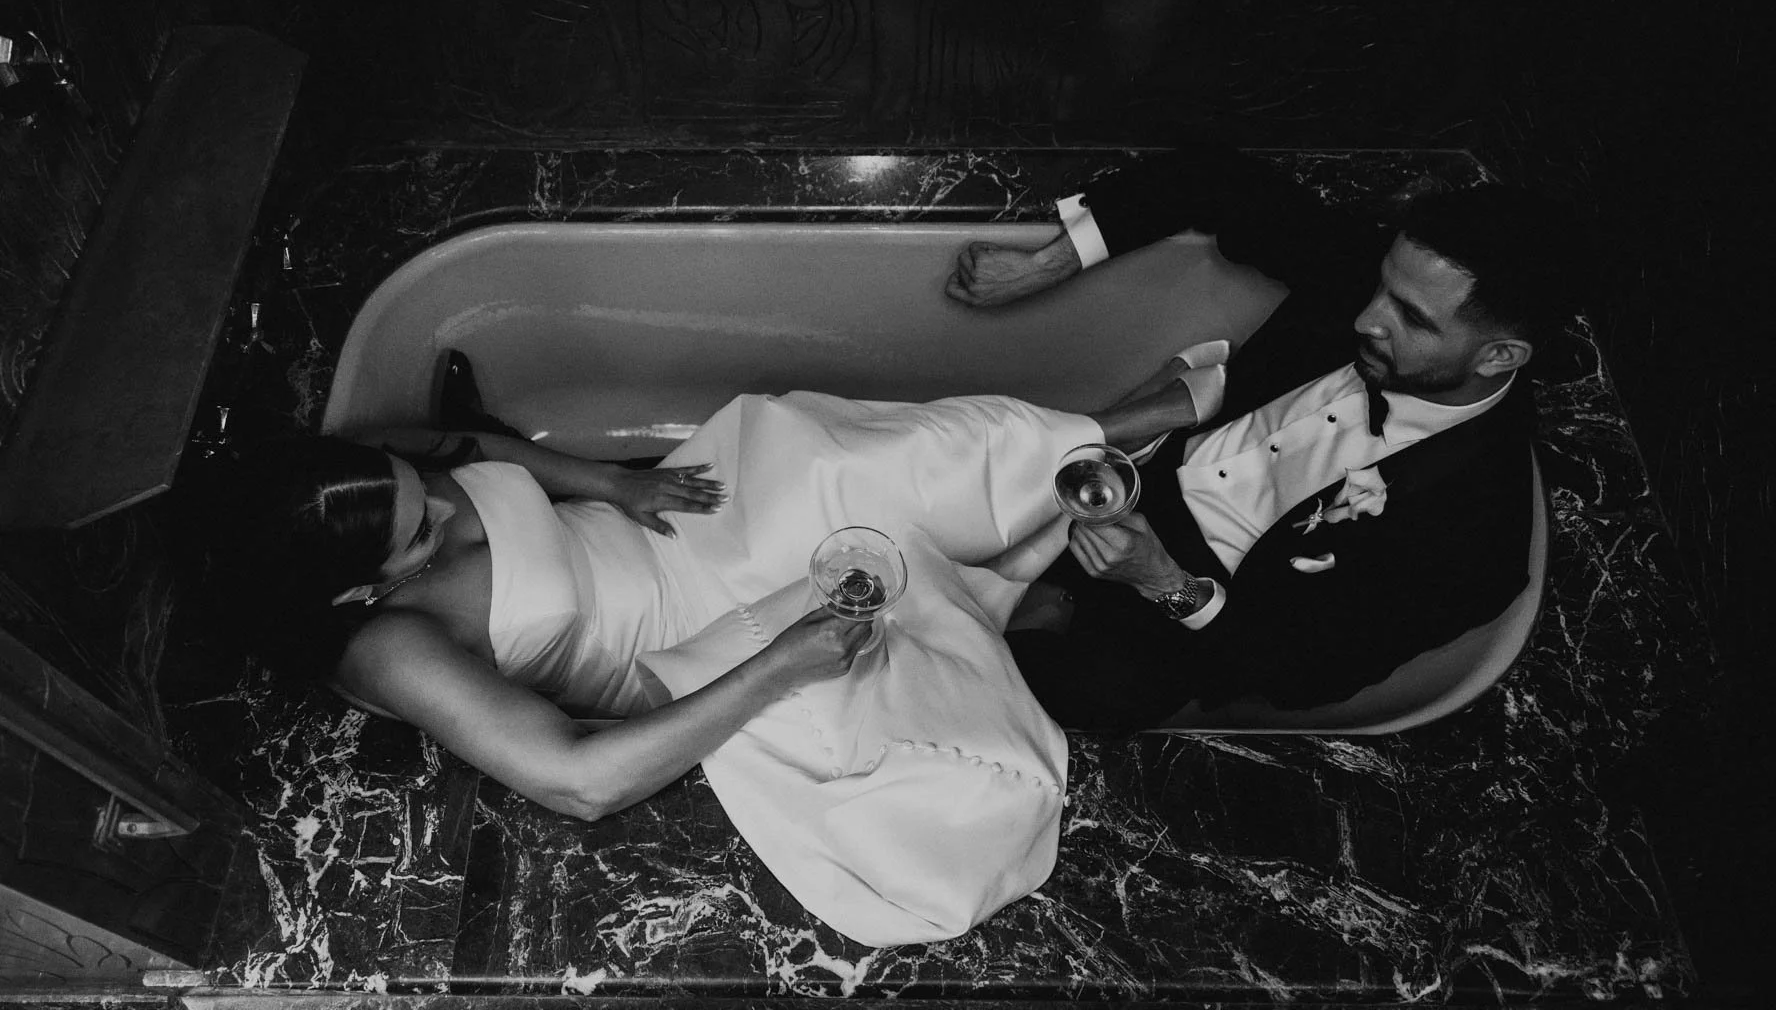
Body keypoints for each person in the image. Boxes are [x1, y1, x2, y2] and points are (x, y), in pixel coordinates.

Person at [204, 388, 1130, 947]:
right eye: (418, 536)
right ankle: (1004, 596)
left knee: (850, 458)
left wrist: (612, 481)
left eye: (422, 496)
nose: (444, 514)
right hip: (683, 651)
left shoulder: (372, 487)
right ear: (350, 596)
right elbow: (579, 783)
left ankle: (1114, 433)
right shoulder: (389, 649)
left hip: (668, 535)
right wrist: (776, 666)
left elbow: (477, 451)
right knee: (882, 627)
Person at [944, 150, 1582, 729]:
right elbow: (1212, 173)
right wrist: (1043, 266)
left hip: (1201, 604)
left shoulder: (1478, 536)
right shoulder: (1378, 276)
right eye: (1382, 287)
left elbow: (1306, 673)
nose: (1366, 318)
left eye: (1410, 318)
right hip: (1143, 471)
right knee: (935, 496)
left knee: (1045, 695)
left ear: (1500, 354)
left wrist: (1161, 580)